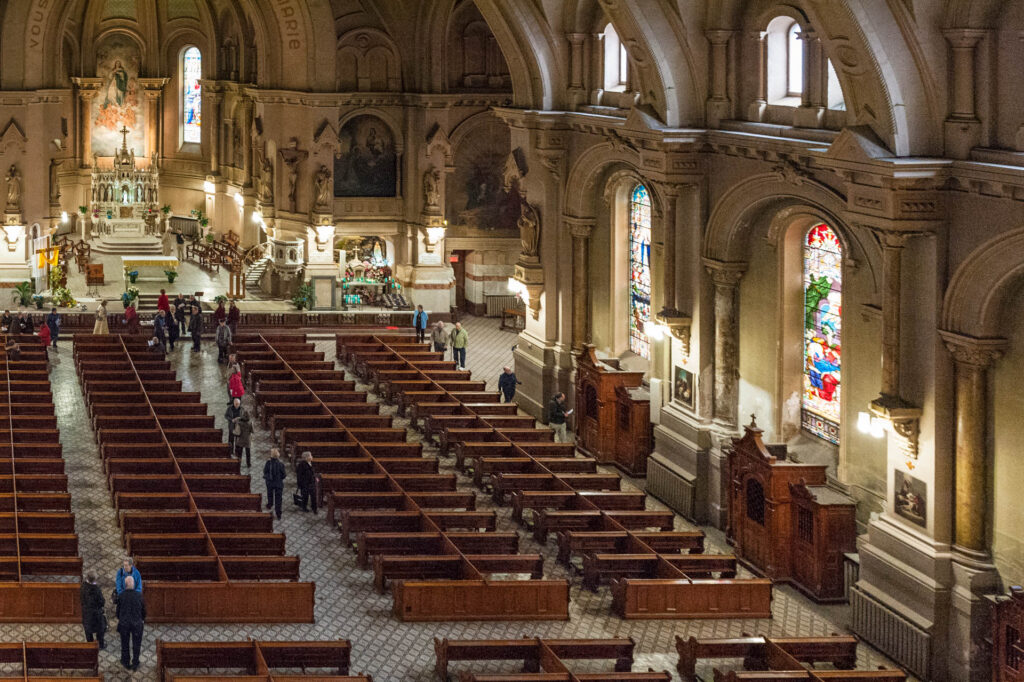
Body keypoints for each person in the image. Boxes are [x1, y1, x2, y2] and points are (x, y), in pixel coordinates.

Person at [116, 575, 145, 671]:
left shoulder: (121, 596)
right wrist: (142, 619)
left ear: (125, 585)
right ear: (134, 584)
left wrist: (121, 618)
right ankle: (135, 663)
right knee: (137, 644)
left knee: (125, 644)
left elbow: (118, 612)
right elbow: (144, 611)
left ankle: (125, 661)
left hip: (124, 623)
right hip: (137, 624)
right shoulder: (139, 596)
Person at [79, 572, 106, 649]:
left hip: (86, 612)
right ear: (94, 580)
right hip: (96, 613)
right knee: (100, 630)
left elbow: (81, 599)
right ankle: (100, 645)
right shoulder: (96, 590)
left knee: (88, 630)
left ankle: (90, 646)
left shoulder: (83, 587)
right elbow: (102, 602)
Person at [263, 448, 286, 520]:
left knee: (270, 494)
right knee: (278, 499)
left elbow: (265, 471)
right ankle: (278, 513)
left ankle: (270, 504)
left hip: (270, 482)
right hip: (278, 483)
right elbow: (284, 475)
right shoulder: (281, 464)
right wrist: (280, 478)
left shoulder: (268, 463)